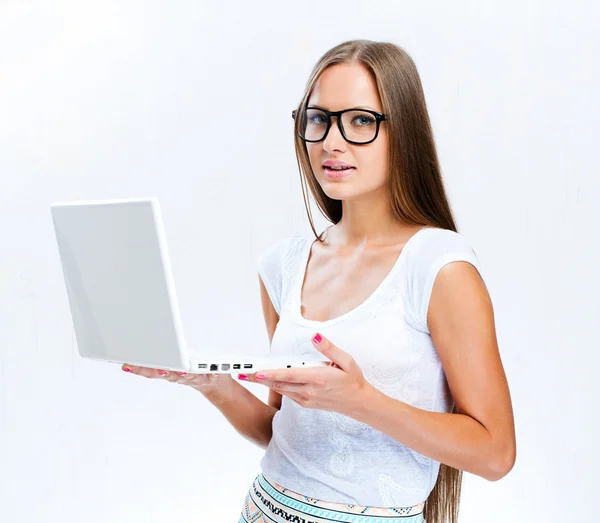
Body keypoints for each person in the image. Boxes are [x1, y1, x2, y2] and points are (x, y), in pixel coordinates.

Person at [122, 39, 516, 523]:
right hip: (263, 509)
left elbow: (495, 454)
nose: (332, 141)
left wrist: (362, 401)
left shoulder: (438, 266)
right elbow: (280, 430)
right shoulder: (283, 265)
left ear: (404, 131)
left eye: (360, 121)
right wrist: (214, 385)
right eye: (318, 119)